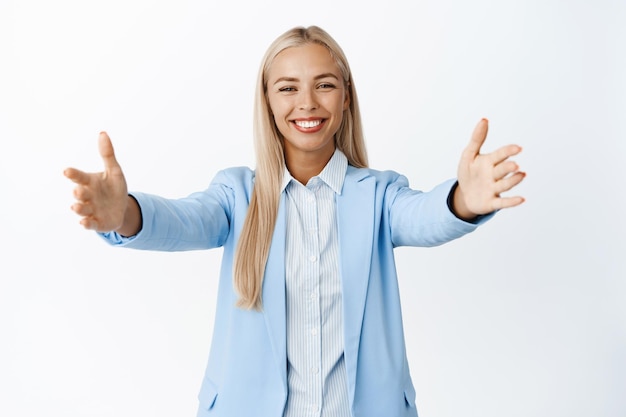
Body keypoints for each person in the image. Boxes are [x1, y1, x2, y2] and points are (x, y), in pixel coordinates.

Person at [64, 25, 525, 417]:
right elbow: (182, 220)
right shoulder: (237, 194)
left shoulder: (379, 194)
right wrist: (123, 213)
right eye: (287, 87)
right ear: (267, 102)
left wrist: (465, 198)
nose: (307, 102)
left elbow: (425, 217)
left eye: (324, 85)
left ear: (346, 99)